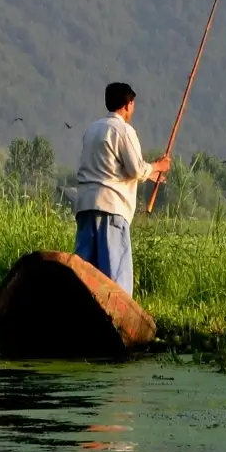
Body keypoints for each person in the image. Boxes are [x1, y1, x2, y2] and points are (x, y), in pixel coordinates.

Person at [73, 82, 171, 296]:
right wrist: (158, 166)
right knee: (114, 275)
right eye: (133, 104)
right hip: (111, 210)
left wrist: (151, 174)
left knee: (84, 274)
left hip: (85, 206)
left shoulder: (93, 129)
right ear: (128, 104)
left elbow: (110, 170)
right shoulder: (123, 130)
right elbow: (136, 168)